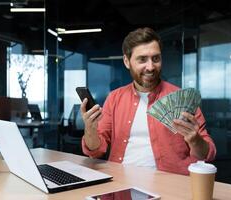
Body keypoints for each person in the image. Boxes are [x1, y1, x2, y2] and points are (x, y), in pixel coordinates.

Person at [80, 27, 216, 175]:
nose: (150, 67)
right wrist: (90, 130)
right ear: (127, 61)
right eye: (142, 59)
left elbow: (207, 154)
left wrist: (195, 140)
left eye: (156, 58)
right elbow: (96, 152)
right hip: (120, 183)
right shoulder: (114, 98)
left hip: (169, 186)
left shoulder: (182, 98)